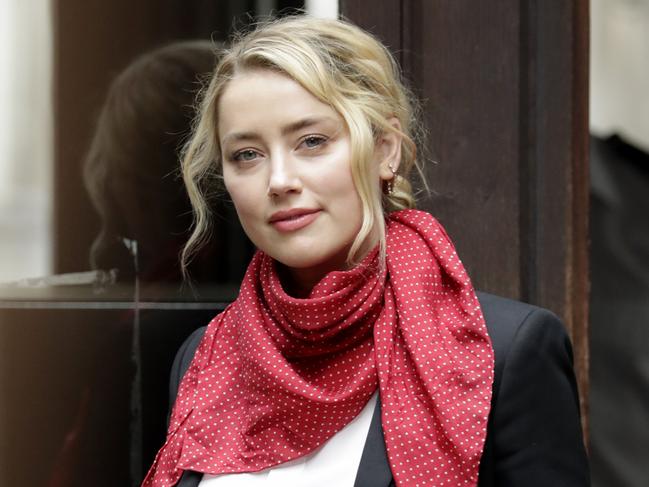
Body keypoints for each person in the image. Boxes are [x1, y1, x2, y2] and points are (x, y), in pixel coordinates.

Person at [143, 16, 589, 487]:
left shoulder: (506, 351)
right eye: (247, 154)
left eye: (311, 142)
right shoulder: (204, 359)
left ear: (385, 151)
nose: (279, 181)